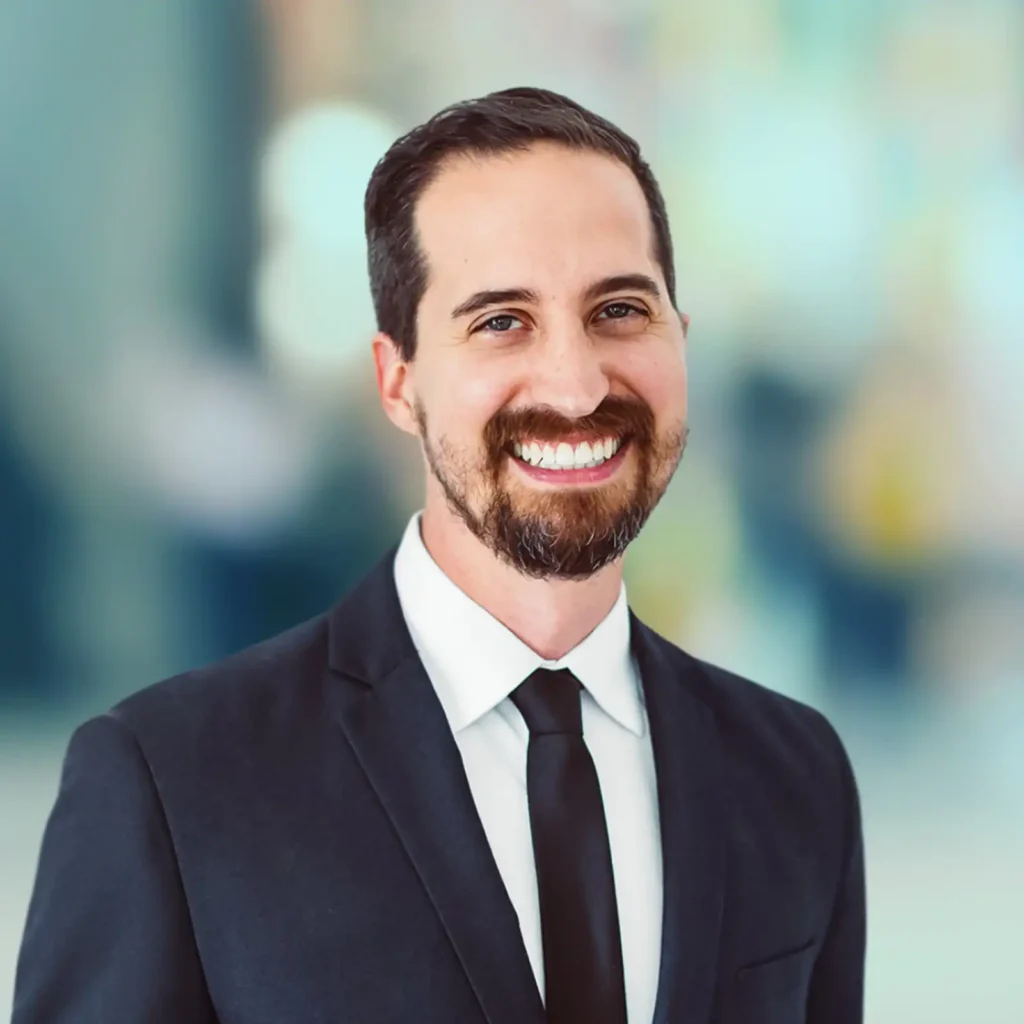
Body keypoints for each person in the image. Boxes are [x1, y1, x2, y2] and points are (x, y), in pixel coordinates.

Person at [12, 87, 865, 1024]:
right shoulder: (171, 782)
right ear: (398, 380)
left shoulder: (793, 774)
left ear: (680, 341)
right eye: (502, 321)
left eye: (620, 310)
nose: (577, 386)